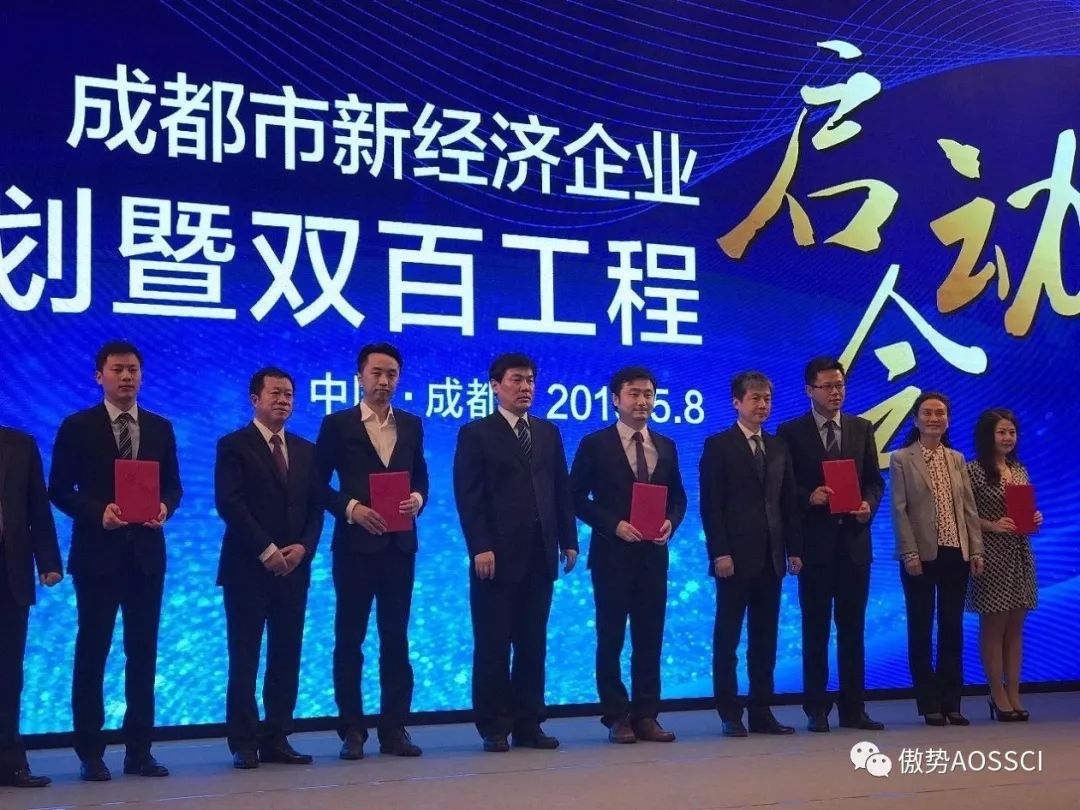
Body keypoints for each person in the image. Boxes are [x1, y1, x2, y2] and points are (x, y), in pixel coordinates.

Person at [49, 340, 182, 780]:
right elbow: (58, 489)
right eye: (118, 369)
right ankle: (90, 751)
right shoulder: (77, 426)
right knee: (93, 652)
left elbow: (174, 486)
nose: (126, 377)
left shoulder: (160, 427)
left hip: (146, 557)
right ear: (99, 376)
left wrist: (164, 507)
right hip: (97, 556)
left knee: (143, 654)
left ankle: (139, 751)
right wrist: (96, 512)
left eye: (133, 370)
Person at [453, 353, 577, 752]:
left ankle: (529, 723)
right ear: (495, 386)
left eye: (530, 380)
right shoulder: (476, 433)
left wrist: (569, 539)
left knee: (532, 643)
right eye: (517, 380)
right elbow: (469, 497)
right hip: (495, 557)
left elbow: (561, 489)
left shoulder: (548, 432)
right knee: (493, 643)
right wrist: (480, 547)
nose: (526, 387)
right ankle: (494, 725)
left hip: (540, 555)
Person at [316, 343, 428, 759]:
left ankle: (394, 728)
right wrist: (351, 509)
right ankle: (352, 730)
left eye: (392, 374)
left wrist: (417, 499)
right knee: (349, 639)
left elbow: (421, 477)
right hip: (354, 548)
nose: (384, 381)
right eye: (377, 373)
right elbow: (316, 484)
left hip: (399, 547)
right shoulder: (337, 424)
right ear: (360, 376)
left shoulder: (411, 424)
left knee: (396, 639)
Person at [571, 367, 687, 744]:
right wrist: (613, 525)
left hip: (653, 557)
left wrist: (671, 522)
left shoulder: (666, 445)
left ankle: (646, 714)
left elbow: (679, 498)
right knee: (611, 638)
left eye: (648, 394)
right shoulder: (595, 443)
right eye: (634, 394)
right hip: (612, 556)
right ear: (615, 399)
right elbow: (575, 497)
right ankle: (616, 715)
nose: (642, 401)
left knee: (650, 637)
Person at [215, 367, 324, 768]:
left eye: (289, 394)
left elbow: (316, 507)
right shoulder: (233, 445)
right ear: (255, 399)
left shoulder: (307, 450)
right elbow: (230, 504)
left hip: (294, 569)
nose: (283, 400)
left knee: (286, 655)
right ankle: (244, 741)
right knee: (245, 656)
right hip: (248, 568)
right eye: (275, 393)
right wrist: (267, 550)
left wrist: (303, 549)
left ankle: (277, 736)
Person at [777, 357, 884, 733]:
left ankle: (854, 709)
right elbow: (783, 487)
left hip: (855, 545)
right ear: (810, 390)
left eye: (840, 385)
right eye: (827, 386)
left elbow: (874, 480)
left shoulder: (861, 428)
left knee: (853, 630)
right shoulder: (791, 432)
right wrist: (809, 497)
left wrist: (868, 504)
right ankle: (816, 708)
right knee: (816, 630)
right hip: (815, 547)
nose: (836, 392)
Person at [699, 371, 802, 737]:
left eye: (767, 399)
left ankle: (761, 711)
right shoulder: (718, 445)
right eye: (755, 398)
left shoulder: (778, 447)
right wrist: (720, 552)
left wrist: (794, 550)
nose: (763, 405)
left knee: (765, 640)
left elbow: (788, 502)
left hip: (772, 558)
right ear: (736, 402)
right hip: (734, 559)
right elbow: (711, 506)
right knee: (727, 639)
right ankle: (729, 713)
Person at [891, 391, 984, 726]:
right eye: (927, 413)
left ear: (948, 419)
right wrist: (909, 552)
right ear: (915, 420)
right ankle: (929, 702)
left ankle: (952, 702)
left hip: (955, 553)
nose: (934, 419)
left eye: (940, 413)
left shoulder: (957, 458)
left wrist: (976, 549)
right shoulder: (902, 458)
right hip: (920, 555)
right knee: (920, 628)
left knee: (952, 628)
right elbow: (899, 510)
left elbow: (968, 509)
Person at [966, 409, 1041, 722]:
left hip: (1020, 552)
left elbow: (1023, 506)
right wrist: (993, 525)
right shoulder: (974, 471)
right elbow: (965, 515)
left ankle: (1014, 693)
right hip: (990, 554)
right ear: (988, 435)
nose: (1008, 438)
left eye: (1012, 432)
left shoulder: (1019, 468)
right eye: (1002, 432)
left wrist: (1034, 517)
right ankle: (996, 693)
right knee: (994, 628)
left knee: (1016, 628)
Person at [0, 427, 63, 788]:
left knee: (8, 674)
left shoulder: (20, 445)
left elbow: (37, 507)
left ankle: (10, 763)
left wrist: (49, 561)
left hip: (9, 572)